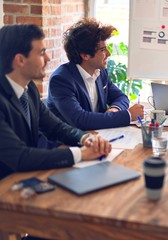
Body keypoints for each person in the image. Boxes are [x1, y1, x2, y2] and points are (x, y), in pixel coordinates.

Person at [0, 24, 112, 180]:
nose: (48, 58)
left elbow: (56, 127)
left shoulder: (29, 88)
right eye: (41, 53)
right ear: (20, 60)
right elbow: (20, 156)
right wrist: (80, 154)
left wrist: (86, 139)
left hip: (29, 176)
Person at [47, 18, 144, 131]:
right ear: (85, 55)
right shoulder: (61, 80)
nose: (108, 53)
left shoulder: (100, 72)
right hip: (68, 143)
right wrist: (128, 115)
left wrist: (114, 109)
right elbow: (80, 120)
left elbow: (121, 97)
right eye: (102, 50)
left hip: (97, 137)